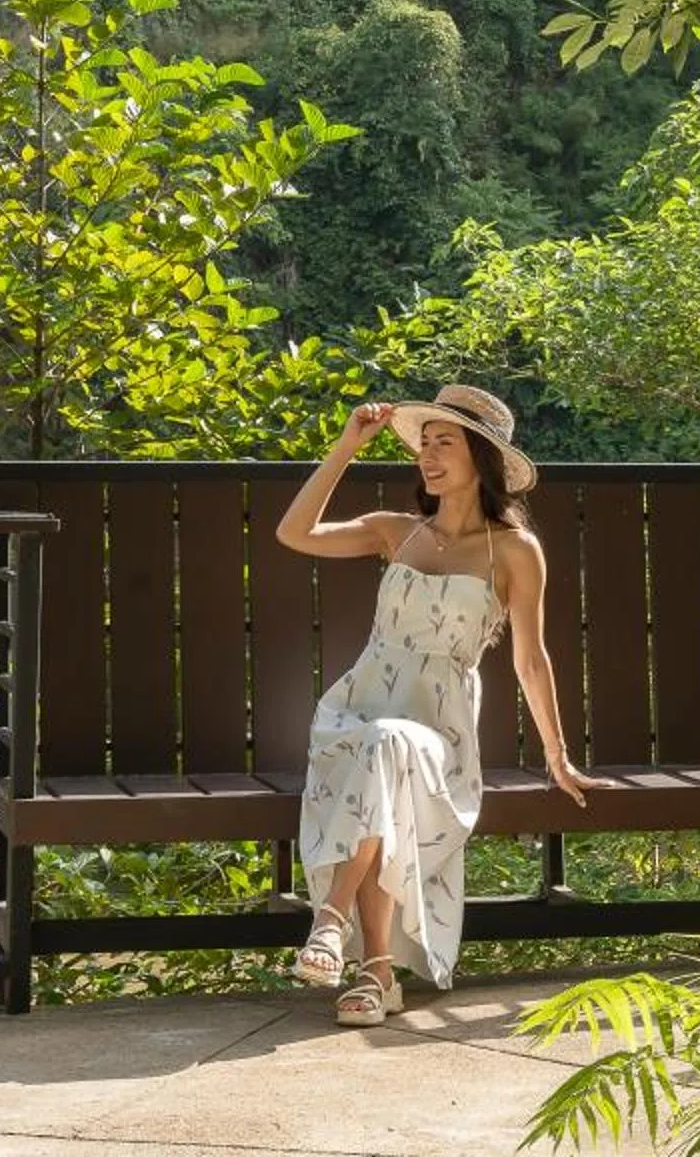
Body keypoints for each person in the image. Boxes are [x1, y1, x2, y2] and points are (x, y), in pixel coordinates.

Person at [273, 385, 597, 1026]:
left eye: (444, 441)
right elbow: (294, 533)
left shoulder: (514, 551)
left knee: (391, 745)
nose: (428, 454)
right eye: (423, 443)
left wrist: (557, 757)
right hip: (354, 716)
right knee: (380, 749)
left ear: (482, 457)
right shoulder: (394, 532)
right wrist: (346, 447)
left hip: (438, 732)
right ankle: (374, 975)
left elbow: (531, 659)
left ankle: (333, 922)